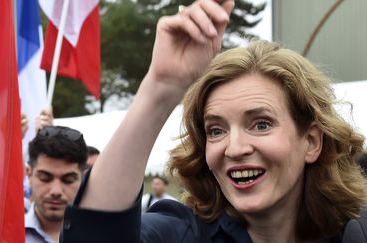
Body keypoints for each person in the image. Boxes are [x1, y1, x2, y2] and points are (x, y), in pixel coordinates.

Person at [61, 0, 367, 242]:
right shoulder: (182, 233)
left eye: (261, 124)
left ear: (311, 141)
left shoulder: (355, 233)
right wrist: (160, 88)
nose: (234, 148)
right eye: (216, 130)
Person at [25, 126, 88, 243]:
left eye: (68, 180)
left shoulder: (102, 235)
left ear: (83, 177)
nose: (56, 191)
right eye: (45, 178)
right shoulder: (5, 236)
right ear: (29, 175)